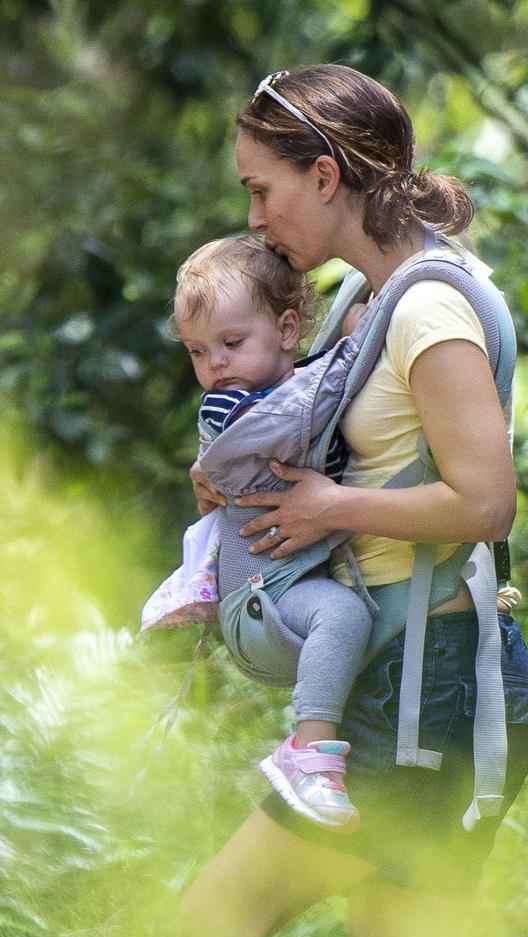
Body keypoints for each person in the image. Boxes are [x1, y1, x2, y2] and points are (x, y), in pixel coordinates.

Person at [181, 65, 528, 937]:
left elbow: (486, 503)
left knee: (211, 927)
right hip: (411, 670)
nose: (255, 219)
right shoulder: (365, 296)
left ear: (325, 177)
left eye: (261, 190)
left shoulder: (427, 307)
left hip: (429, 690)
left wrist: (326, 509)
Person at [144, 234, 374, 832]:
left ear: (289, 330)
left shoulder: (283, 381)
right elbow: (304, 410)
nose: (213, 365)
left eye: (231, 343)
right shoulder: (231, 408)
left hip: (282, 580)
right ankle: (310, 754)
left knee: (356, 622)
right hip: (263, 596)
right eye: (197, 351)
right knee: (343, 616)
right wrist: (361, 341)